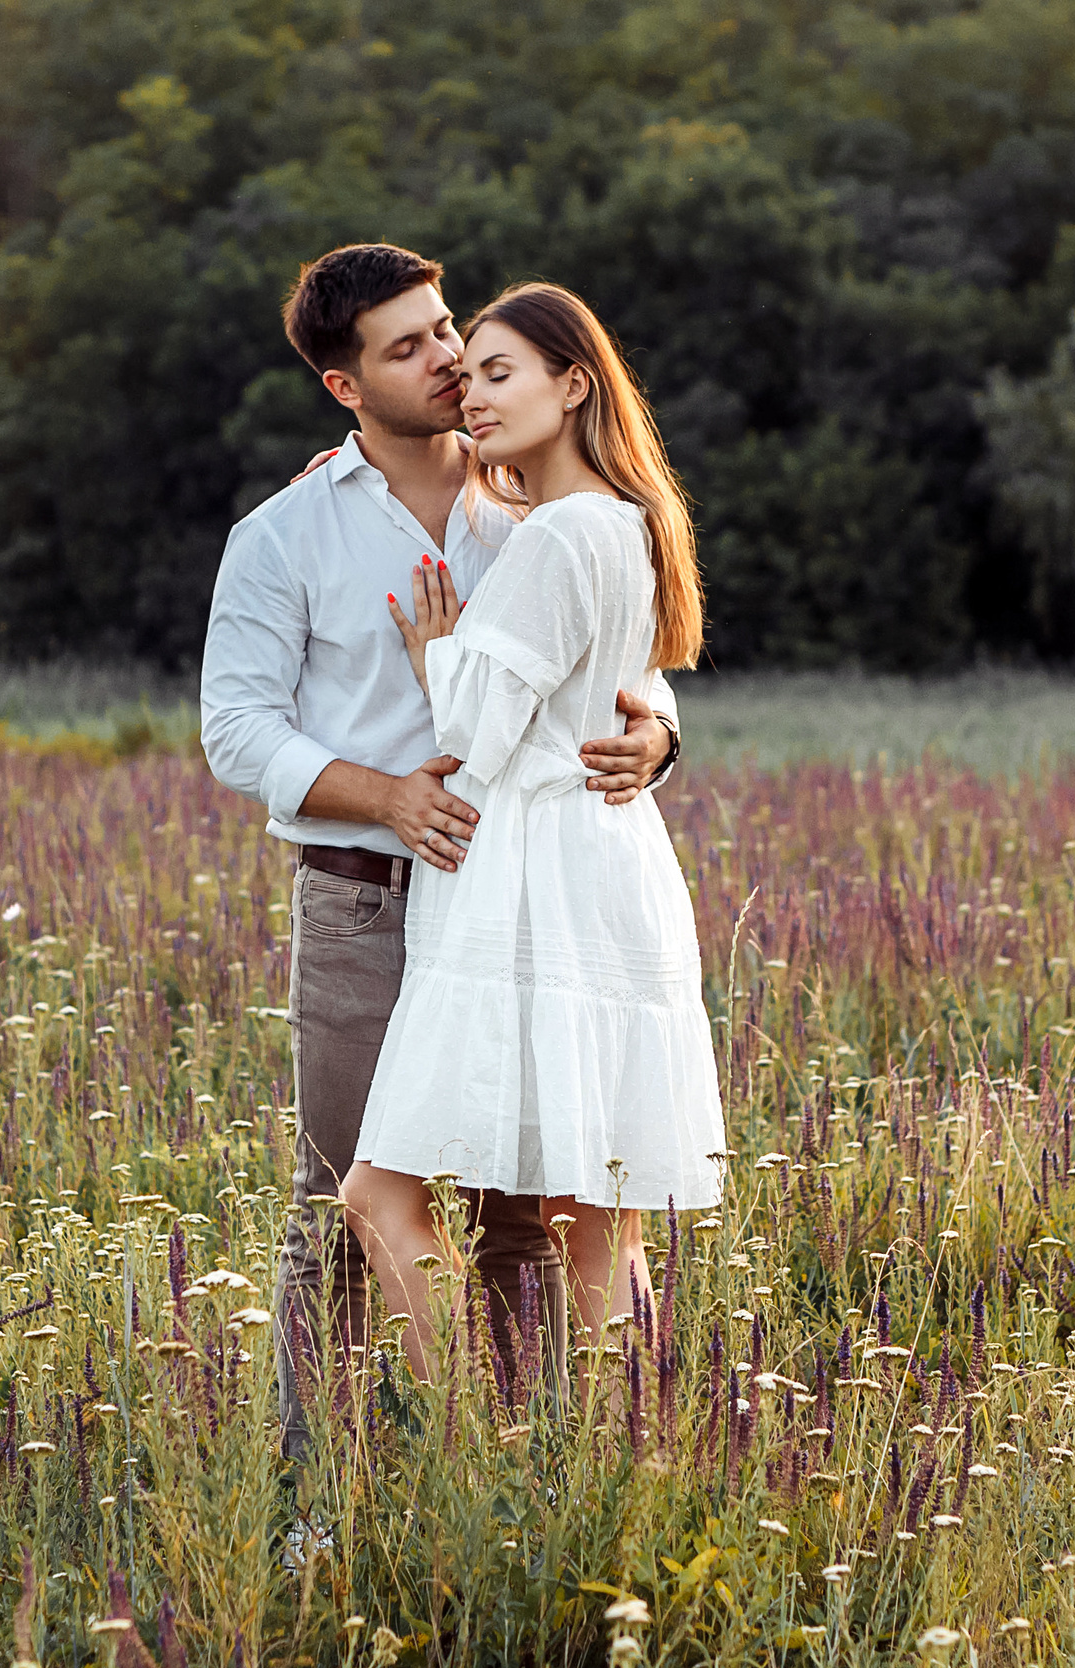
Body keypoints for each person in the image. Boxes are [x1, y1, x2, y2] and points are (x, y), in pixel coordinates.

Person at [199, 244, 683, 1458]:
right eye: (408, 345)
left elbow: (618, 662)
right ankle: (322, 1504)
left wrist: (661, 734)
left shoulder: (529, 491)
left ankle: (518, 1489)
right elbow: (236, 728)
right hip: (368, 903)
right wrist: (382, 799)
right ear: (344, 387)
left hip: (522, 903)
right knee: (344, 1213)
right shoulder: (283, 536)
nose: (450, 356)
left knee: (523, 1212)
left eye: (449, 326)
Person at [339, 281, 725, 1380]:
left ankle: (463, 1444)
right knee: (592, 1216)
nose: (473, 395)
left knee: (377, 1192)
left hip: (530, 878)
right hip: (609, 866)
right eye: (471, 378)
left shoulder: (557, 539)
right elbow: (627, 688)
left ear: (573, 383)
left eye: (499, 374)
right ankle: (628, 1466)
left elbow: (477, 731)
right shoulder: (628, 523)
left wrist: (435, 655)